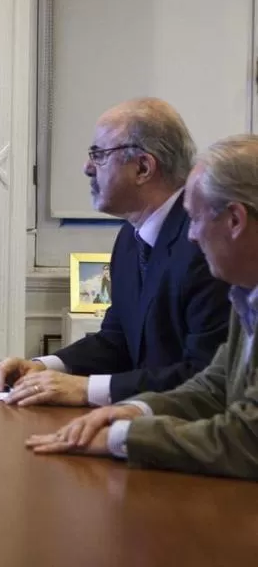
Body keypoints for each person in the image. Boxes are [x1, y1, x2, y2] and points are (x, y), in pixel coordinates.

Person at [27, 135, 258, 481]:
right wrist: (133, 410)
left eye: (195, 219)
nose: (191, 236)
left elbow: (246, 440)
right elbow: (215, 384)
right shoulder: (245, 291)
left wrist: (122, 437)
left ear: (235, 220)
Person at [0, 98, 229, 405]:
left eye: (99, 154)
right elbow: (116, 340)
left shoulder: (205, 240)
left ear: (143, 168)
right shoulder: (128, 238)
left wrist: (85, 389)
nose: (87, 167)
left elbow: (204, 376)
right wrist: (42, 366)